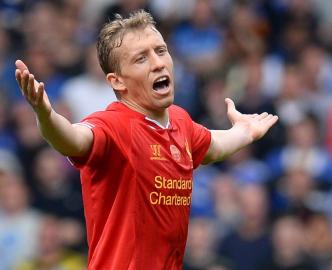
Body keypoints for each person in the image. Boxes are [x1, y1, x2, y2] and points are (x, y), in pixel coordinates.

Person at [14, 10, 278, 270]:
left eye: (161, 51)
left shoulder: (180, 121)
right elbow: (70, 139)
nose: (158, 63)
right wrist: (45, 115)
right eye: (141, 58)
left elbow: (211, 146)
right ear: (117, 81)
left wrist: (244, 132)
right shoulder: (113, 126)